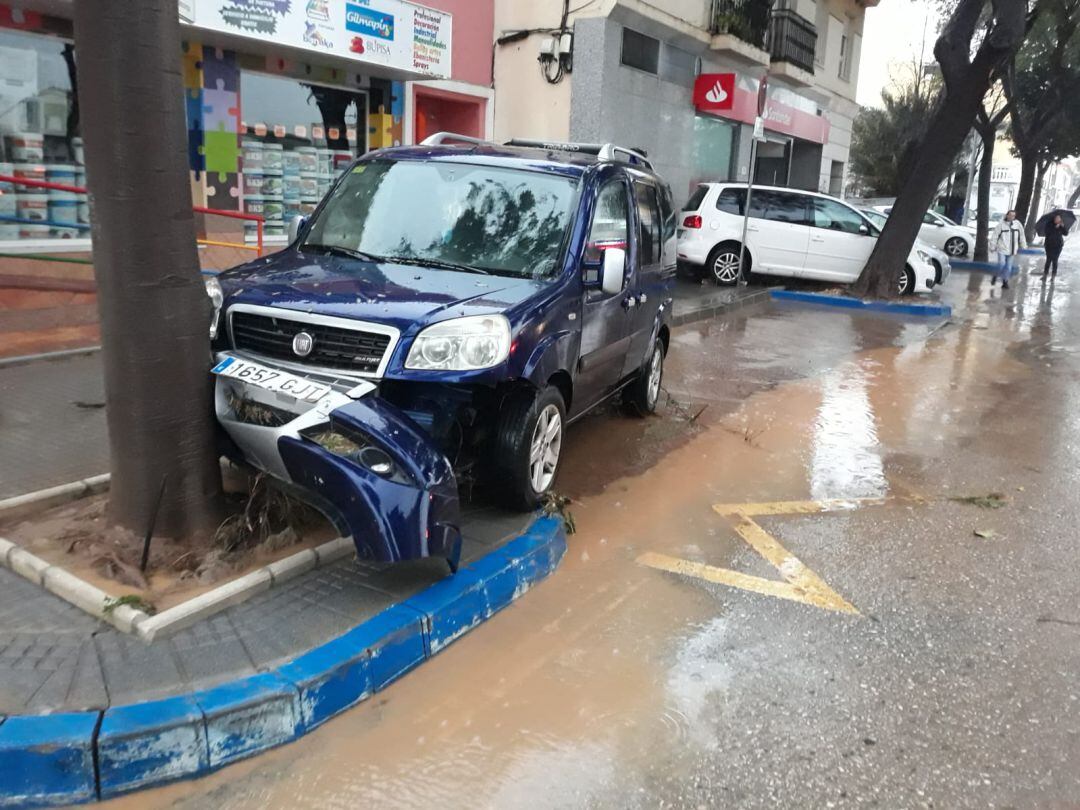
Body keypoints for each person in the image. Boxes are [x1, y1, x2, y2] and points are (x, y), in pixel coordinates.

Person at [991, 210, 1026, 289]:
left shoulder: (1017, 224)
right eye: (1010, 215)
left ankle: (1005, 282)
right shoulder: (1001, 225)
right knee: (1001, 264)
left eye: (1013, 216)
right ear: (1007, 215)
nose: (1011, 217)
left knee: (1008, 267)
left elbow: (1022, 235)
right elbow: (995, 236)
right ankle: (995, 275)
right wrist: (992, 246)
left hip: (1012, 250)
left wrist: (1023, 244)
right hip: (1002, 249)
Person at [1042, 214, 1069, 278]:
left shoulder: (1061, 225)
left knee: (1055, 260)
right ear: (1054, 219)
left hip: (1058, 245)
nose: (1058, 220)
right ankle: (1045, 274)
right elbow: (1047, 232)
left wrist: (1063, 226)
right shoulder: (1049, 224)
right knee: (1048, 260)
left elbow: (1066, 233)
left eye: (1059, 218)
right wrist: (1055, 227)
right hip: (1049, 245)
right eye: (1057, 218)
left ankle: (1053, 275)